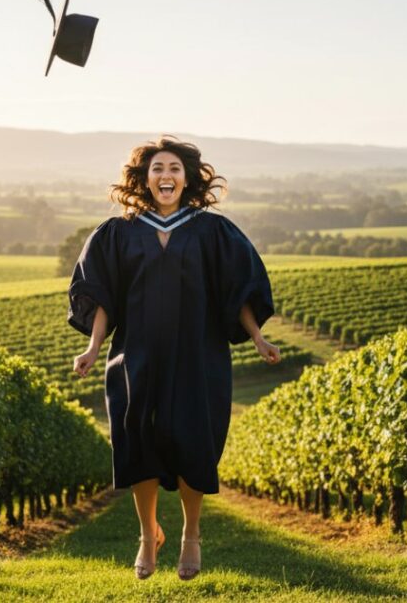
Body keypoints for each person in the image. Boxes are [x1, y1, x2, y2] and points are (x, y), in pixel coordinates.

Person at [68, 135, 281, 581]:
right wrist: (92, 346)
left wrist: (258, 338)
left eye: (174, 169)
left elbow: (237, 289)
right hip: (137, 354)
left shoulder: (212, 230)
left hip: (197, 356)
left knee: (191, 442)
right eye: (157, 169)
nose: (166, 176)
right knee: (137, 443)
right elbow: (103, 296)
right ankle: (148, 535)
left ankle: (191, 535)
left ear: (187, 179)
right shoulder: (119, 232)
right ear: (144, 179)